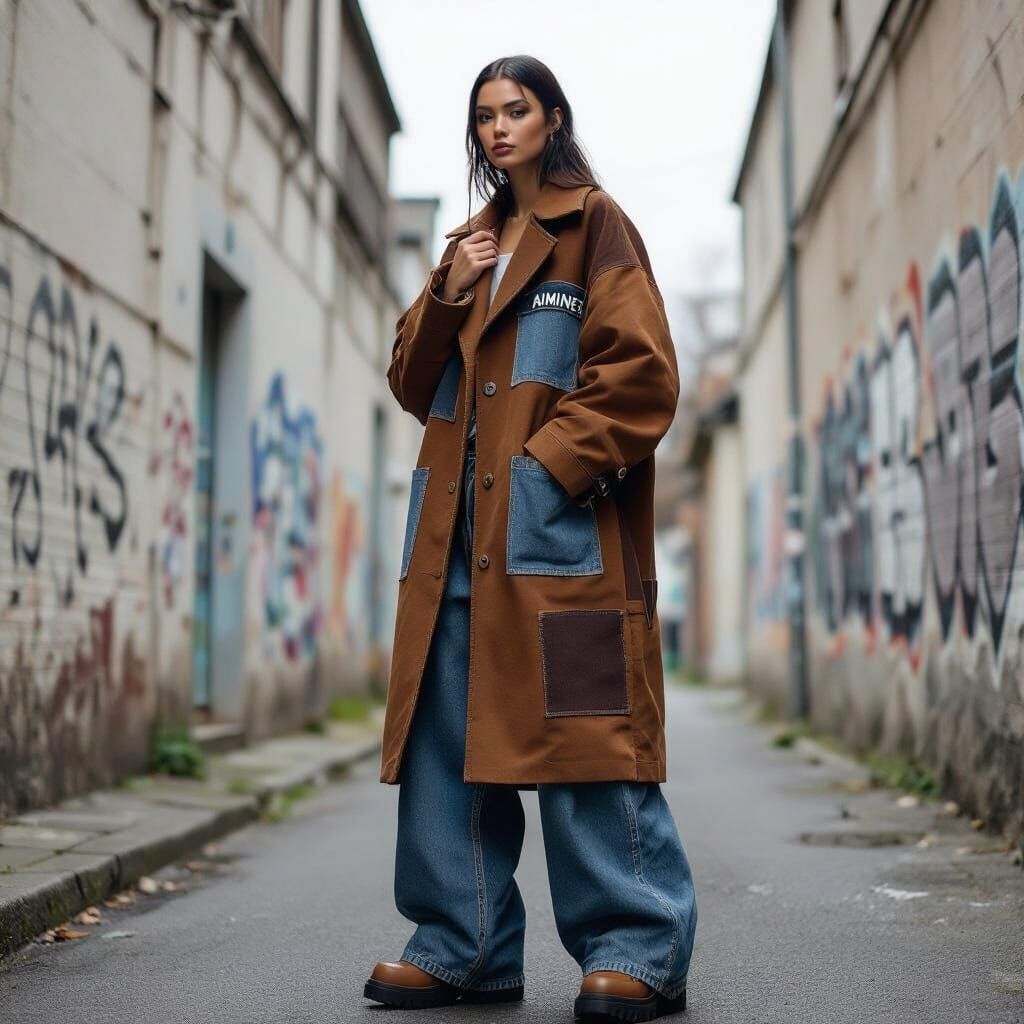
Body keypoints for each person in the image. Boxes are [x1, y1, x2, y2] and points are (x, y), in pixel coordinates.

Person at [364, 55, 697, 1022]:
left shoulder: (593, 225)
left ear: (552, 120)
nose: (498, 128)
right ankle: (460, 944)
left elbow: (643, 377)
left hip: (561, 548)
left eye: (516, 110)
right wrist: (446, 288)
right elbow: (409, 379)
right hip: (455, 543)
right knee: (447, 739)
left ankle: (641, 948)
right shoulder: (472, 244)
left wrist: (546, 469)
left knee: (587, 740)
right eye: (484, 116)